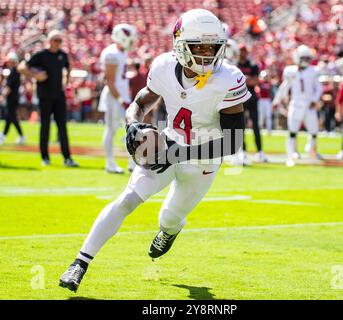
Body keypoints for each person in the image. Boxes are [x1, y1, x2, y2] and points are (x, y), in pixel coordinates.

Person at [59, 8, 250, 292]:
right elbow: (138, 104)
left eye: (213, 47)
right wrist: (133, 125)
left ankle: (169, 232)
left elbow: (232, 141)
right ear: (180, 44)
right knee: (127, 199)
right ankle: (79, 262)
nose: (207, 54)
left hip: (203, 159)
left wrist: (177, 153)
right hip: (167, 144)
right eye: (199, 47)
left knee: (169, 218)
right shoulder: (163, 67)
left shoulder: (228, 78)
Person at [18, 30, 78, 167]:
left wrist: (66, 82)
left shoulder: (62, 55)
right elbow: (21, 67)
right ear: (49, 41)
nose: (58, 43)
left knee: (62, 127)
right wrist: (35, 75)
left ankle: (67, 158)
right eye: (55, 40)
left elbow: (69, 67)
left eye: (60, 40)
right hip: (45, 96)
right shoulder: (41, 55)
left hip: (59, 96)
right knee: (45, 126)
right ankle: (45, 157)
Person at [272, 45, 323, 167]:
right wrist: (276, 100)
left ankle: (312, 150)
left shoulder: (314, 71)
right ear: (297, 58)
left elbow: (319, 88)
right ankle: (290, 155)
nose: (305, 60)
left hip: (309, 104)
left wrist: (314, 100)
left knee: (313, 130)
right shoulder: (291, 71)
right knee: (292, 130)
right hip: (296, 103)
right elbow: (284, 87)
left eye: (307, 57)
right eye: (303, 57)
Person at [98, 24, 137, 174]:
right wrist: (122, 100)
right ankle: (110, 162)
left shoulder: (120, 52)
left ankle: (132, 162)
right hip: (114, 97)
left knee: (129, 128)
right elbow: (111, 82)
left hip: (120, 95)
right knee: (112, 129)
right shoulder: (111, 54)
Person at [237, 43, 267, 163]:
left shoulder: (252, 65)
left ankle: (260, 152)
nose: (242, 53)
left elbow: (254, 82)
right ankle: (242, 152)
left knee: (256, 126)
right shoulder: (235, 64)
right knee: (241, 126)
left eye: (244, 50)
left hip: (251, 98)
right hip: (239, 98)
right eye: (241, 51)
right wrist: (246, 79)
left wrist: (242, 79)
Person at [0, 52, 26, 146]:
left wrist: (2, 96)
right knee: (11, 118)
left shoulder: (14, 72)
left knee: (10, 117)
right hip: (13, 98)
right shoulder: (14, 71)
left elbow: (9, 87)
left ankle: (3, 135)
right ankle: (20, 136)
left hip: (12, 98)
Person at [257, 70, 273, 134]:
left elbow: (271, 92)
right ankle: (259, 129)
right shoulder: (260, 83)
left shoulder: (270, 83)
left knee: (268, 115)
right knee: (261, 115)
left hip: (267, 100)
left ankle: (269, 130)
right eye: (265, 76)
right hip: (261, 100)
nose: (266, 77)